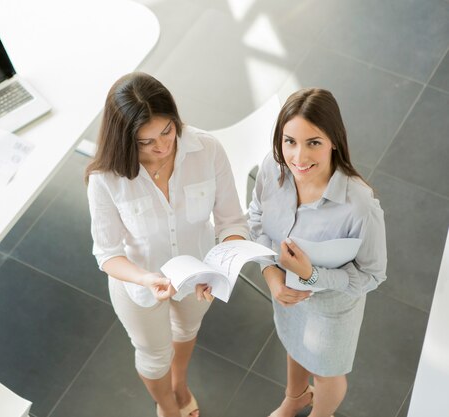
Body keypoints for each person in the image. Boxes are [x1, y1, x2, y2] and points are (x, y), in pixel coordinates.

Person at [85, 72, 249, 417]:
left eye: (167, 131)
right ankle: (166, 406)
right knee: (153, 353)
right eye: (145, 142)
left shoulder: (207, 150)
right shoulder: (105, 179)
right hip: (140, 284)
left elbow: (232, 222)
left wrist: (221, 267)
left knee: (188, 328)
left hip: (200, 274)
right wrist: (147, 279)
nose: (162, 147)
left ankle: (180, 385)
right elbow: (108, 254)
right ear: (125, 140)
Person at [248, 88, 387, 417]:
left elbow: (372, 275)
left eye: (313, 143)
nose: (298, 157)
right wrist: (271, 276)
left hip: (332, 308)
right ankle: (294, 397)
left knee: (326, 372)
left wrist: (312, 276)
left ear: (334, 141)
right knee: (294, 344)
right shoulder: (272, 167)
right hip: (284, 292)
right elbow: (255, 219)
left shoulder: (359, 205)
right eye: (289, 141)